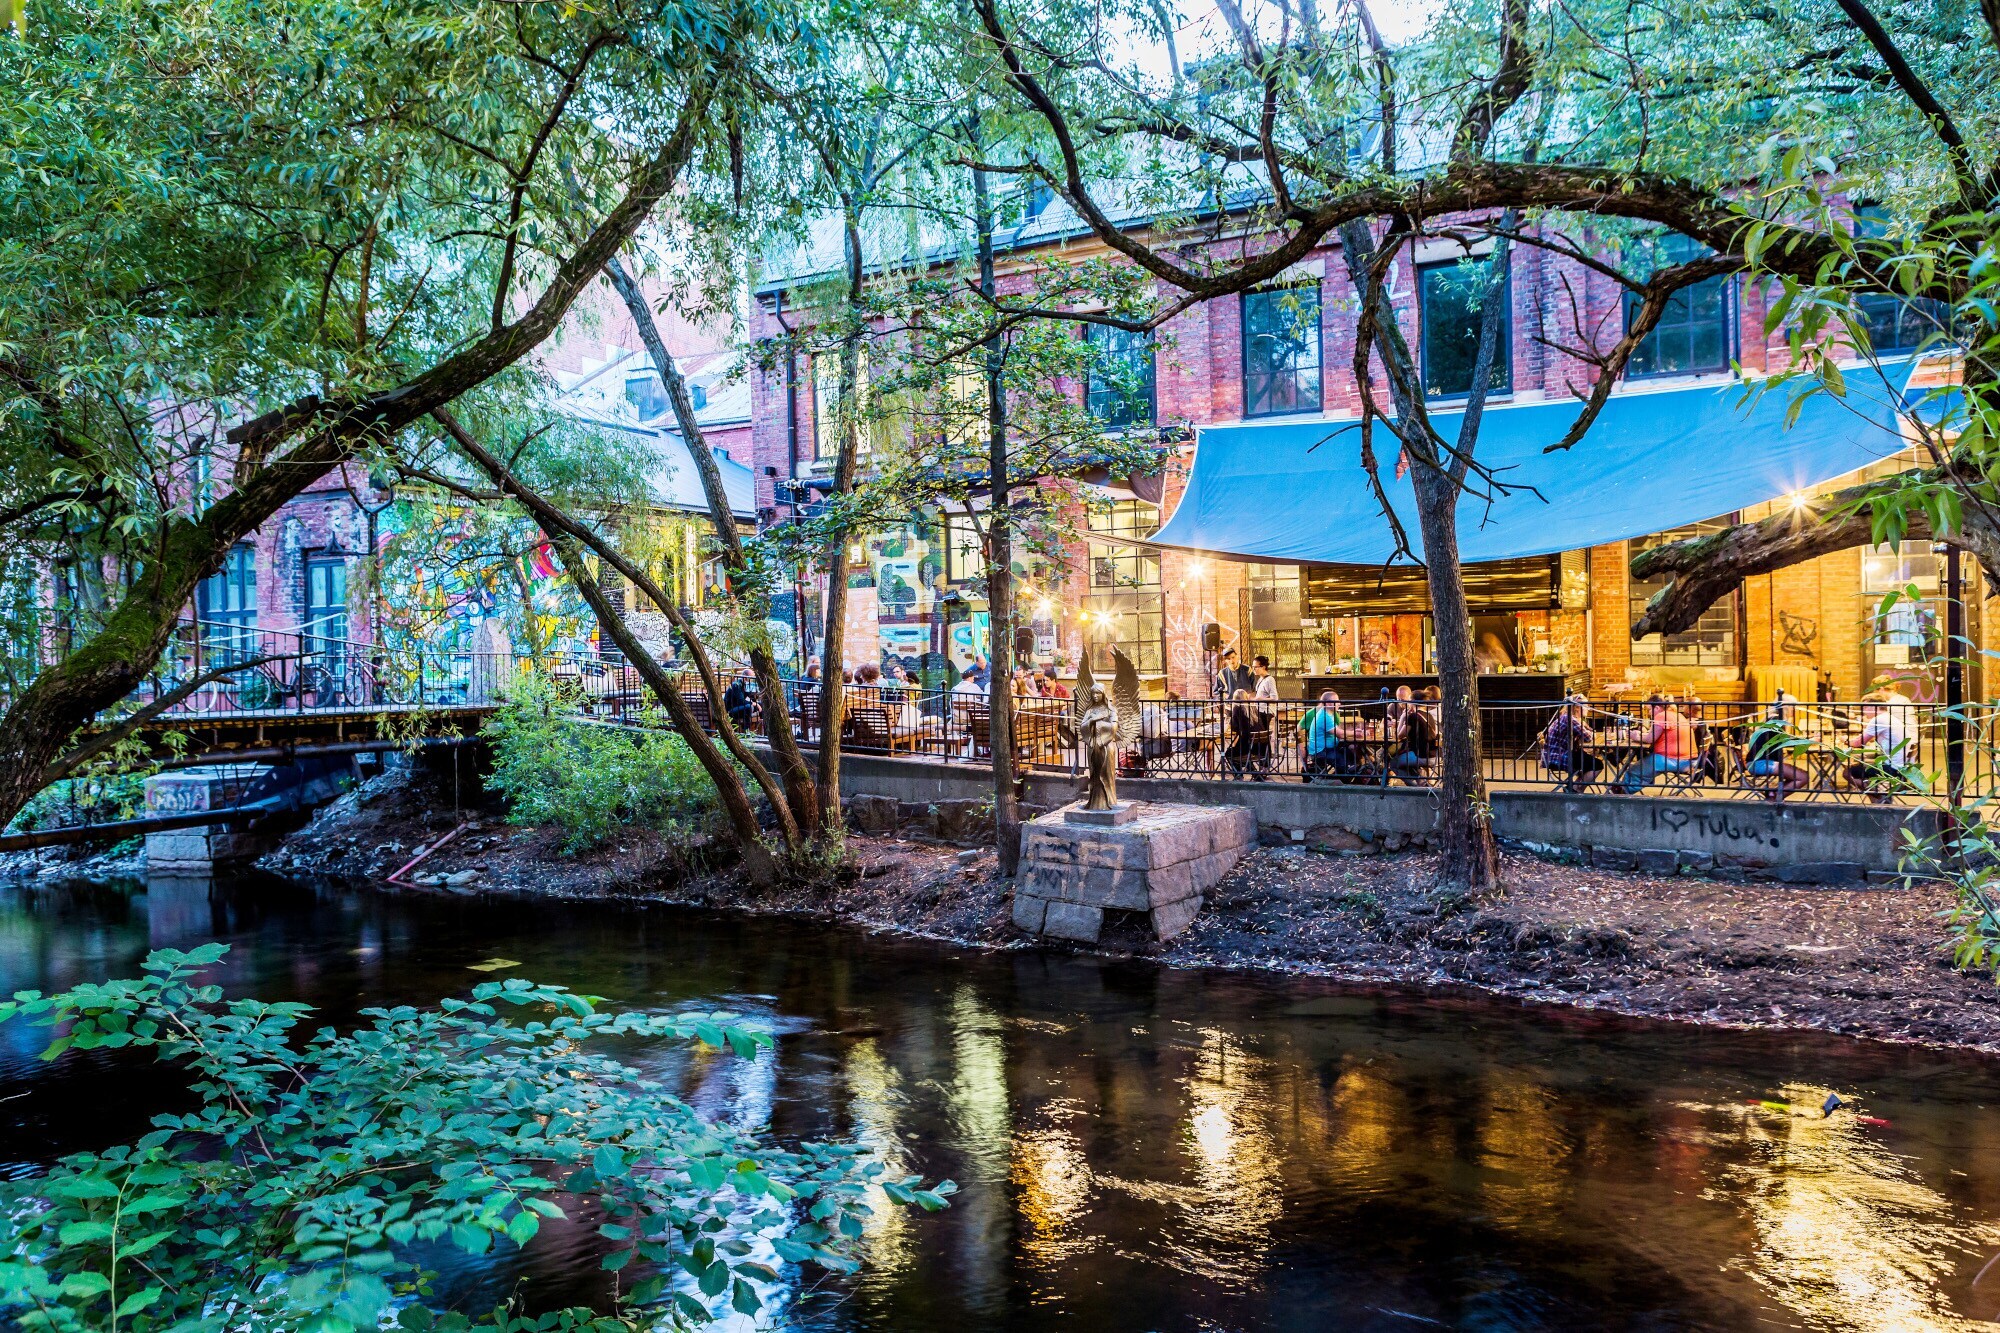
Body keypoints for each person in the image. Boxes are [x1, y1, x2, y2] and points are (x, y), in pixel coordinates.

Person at [1615, 695, 1699, 793]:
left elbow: (1650, 739)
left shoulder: (1661, 716)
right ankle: (1632, 787)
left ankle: (1623, 793)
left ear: (1657, 708)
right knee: (1642, 765)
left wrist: (1636, 736)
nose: (1650, 713)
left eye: (1650, 709)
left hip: (1677, 760)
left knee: (1634, 770)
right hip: (1689, 759)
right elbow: (1657, 735)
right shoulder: (1676, 715)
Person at [1848, 690, 1916, 803]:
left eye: (1865, 707)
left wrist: (1846, 741)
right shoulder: (1887, 717)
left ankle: (1878, 795)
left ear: (1872, 706)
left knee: (1848, 772)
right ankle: (1877, 797)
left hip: (1891, 768)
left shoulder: (1878, 720)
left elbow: (1859, 743)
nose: (1863, 711)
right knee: (1861, 764)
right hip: (1899, 766)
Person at [1540, 694, 1602, 791]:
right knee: (1597, 765)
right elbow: (1589, 737)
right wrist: (1589, 732)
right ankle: (1575, 789)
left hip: (1559, 753)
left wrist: (1584, 725)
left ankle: (1574, 788)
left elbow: (1589, 731)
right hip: (1558, 756)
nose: (1588, 709)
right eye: (1586, 706)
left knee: (1589, 762)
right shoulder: (1570, 719)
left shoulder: (1569, 717)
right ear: (1577, 707)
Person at [1389, 695, 1438, 782]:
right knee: (1406, 762)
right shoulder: (1429, 716)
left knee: (1393, 763)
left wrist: (1403, 717)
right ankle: (1422, 783)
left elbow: (1399, 735)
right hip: (1434, 755)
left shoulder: (1413, 716)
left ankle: (1414, 787)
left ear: (1412, 702)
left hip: (1420, 755)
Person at [1301, 690, 1344, 779]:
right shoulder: (1323, 715)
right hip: (1321, 751)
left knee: (1349, 751)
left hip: (1325, 748)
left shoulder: (1330, 713)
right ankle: (1337, 782)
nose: (1339, 703)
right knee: (1344, 760)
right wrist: (1355, 733)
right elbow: (1340, 734)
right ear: (1328, 703)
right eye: (1337, 701)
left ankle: (1339, 779)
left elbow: (1338, 730)